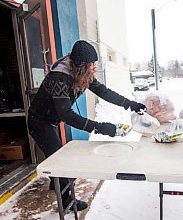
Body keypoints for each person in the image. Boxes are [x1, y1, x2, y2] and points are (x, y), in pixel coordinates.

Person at [27, 40, 146, 211]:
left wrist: (130, 104)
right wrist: (102, 127)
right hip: (39, 122)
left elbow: (104, 92)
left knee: (56, 157)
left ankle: (56, 182)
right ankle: (67, 202)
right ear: (81, 66)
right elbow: (67, 115)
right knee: (61, 162)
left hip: (50, 120)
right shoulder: (59, 78)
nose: (94, 67)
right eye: (91, 64)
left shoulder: (81, 74)